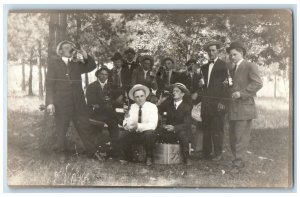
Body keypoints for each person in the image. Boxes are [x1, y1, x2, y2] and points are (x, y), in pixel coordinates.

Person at [45, 40, 101, 163]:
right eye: (67, 47)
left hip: (78, 103)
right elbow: (49, 85)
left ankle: (92, 152)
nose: (70, 49)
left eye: (71, 47)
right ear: (60, 51)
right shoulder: (54, 64)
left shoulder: (76, 64)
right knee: (61, 128)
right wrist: (50, 102)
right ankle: (61, 154)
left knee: (84, 126)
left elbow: (91, 66)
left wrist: (85, 55)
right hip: (61, 103)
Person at [226, 41, 263, 168]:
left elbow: (258, 83)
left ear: (241, 53)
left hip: (244, 107)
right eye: (230, 55)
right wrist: (227, 85)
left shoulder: (250, 66)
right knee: (233, 136)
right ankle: (237, 159)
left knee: (241, 137)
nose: (232, 57)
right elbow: (233, 86)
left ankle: (238, 162)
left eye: (234, 54)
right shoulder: (232, 69)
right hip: (233, 108)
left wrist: (241, 93)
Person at [86, 67, 123, 158]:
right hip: (96, 113)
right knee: (109, 113)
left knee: (114, 126)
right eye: (102, 74)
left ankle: (114, 150)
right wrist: (106, 101)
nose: (103, 76)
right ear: (98, 75)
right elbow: (91, 100)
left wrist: (111, 101)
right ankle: (120, 120)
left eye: (106, 74)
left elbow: (117, 100)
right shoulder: (92, 86)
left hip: (107, 114)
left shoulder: (110, 87)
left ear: (108, 76)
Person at [200, 41, 228, 161]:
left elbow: (228, 86)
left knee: (217, 128)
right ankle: (206, 153)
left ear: (218, 51)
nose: (211, 53)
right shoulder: (203, 67)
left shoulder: (224, 65)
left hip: (218, 102)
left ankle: (218, 153)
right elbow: (203, 86)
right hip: (206, 102)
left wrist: (223, 101)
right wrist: (200, 84)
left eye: (213, 50)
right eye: (209, 51)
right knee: (206, 128)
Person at [120, 84, 158, 166]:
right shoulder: (132, 107)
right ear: (134, 98)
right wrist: (126, 116)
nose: (140, 99)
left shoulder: (152, 107)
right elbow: (126, 125)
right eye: (137, 97)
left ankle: (149, 157)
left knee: (150, 134)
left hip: (147, 134)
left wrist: (138, 126)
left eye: (142, 96)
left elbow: (153, 125)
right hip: (135, 133)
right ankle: (128, 157)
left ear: (145, 96)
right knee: (123, 134)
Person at [157, 83, 192, 165]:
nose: (174, 93)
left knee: (183, 134)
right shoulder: (168, 103)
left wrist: (174, 128)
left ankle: (186, 158)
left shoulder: (187, 106)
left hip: (180, 131)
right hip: (168, 130)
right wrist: (160, 102)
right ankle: (154, 155)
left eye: (177, 91)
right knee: (156, 132)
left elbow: (187, 124)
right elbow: (158, 110)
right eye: (173, 91)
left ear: (182, 94)